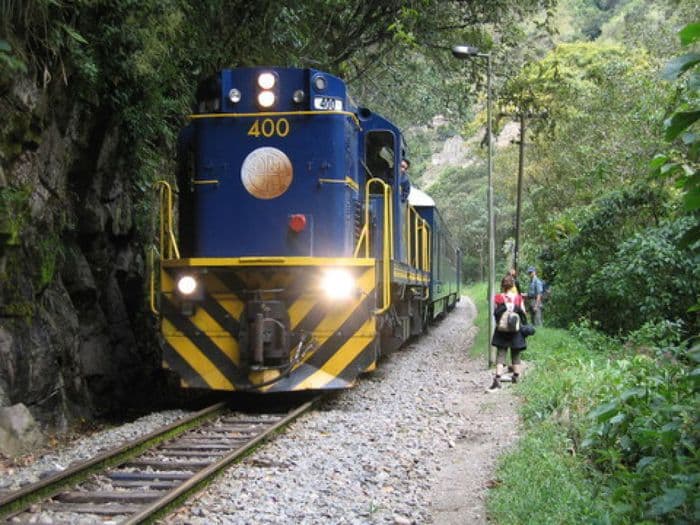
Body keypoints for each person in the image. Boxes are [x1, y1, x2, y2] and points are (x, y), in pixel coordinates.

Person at [488, 274, 528, 392]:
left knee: (501, 355)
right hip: (515, 331)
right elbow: (523, 313)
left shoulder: (498, 298)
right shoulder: (518, 298)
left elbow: (495, 313)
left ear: (502, 286)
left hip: (501, 331)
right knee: (515, 354)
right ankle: (516, 377)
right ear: (513, 285)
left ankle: (497, 379)